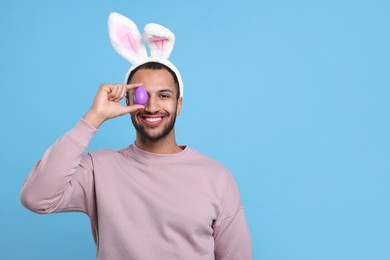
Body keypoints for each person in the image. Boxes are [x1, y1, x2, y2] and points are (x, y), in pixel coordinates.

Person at [20, 13, 252, 260]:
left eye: (164, 95)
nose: (152, 107)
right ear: (127, 101)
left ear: (179, 104)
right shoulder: (99, 169)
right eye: (142, 96)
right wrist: (93, 118)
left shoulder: (216, 177)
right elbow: (36, 198)